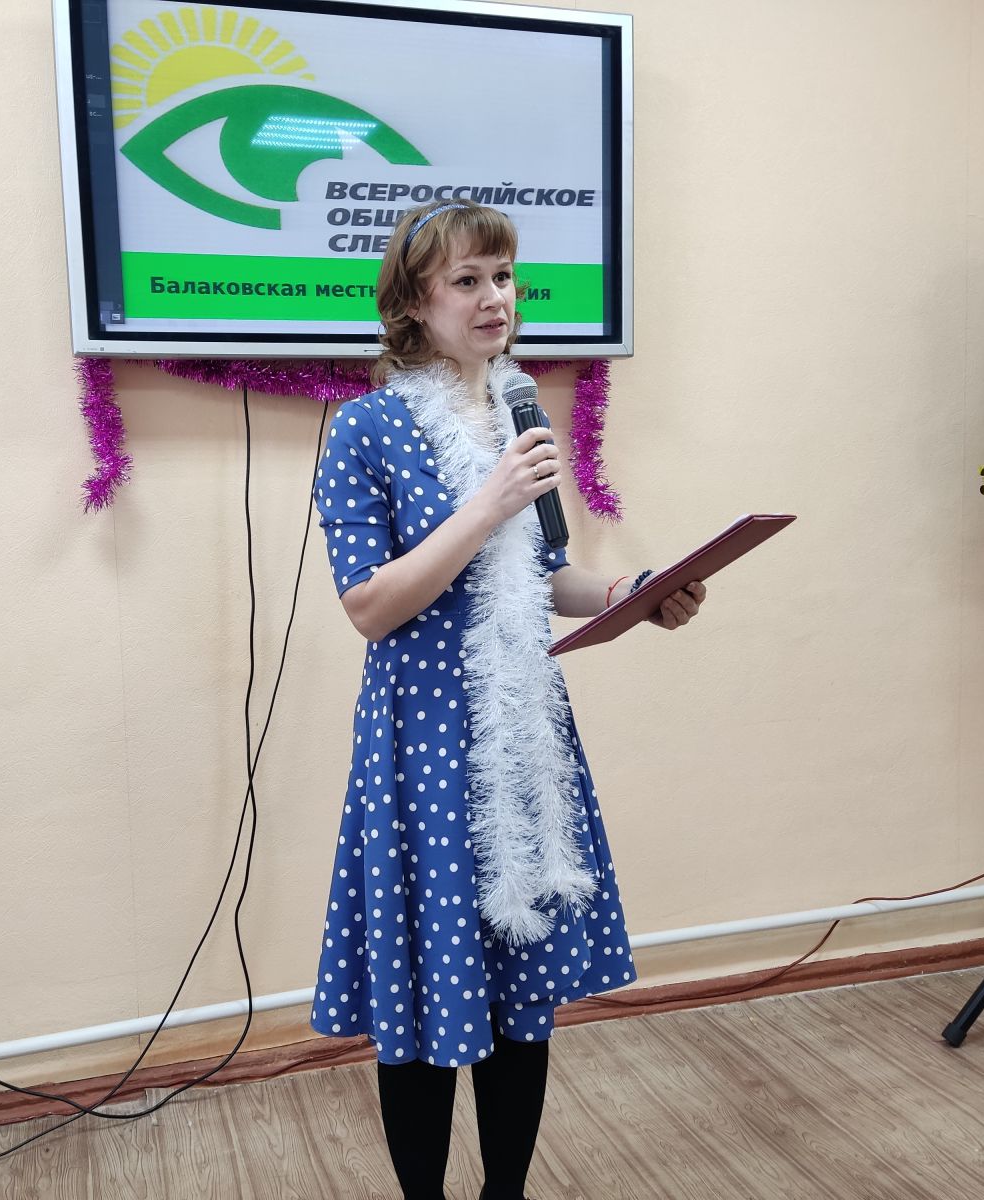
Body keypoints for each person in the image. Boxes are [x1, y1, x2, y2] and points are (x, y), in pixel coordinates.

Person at [310, 198, 706, 1200]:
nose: (496, 299)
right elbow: (369, 606)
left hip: (523, 733)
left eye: (504, 277)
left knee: (522, 995)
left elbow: (541, 575)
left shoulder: (519, 410)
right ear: (412, 302)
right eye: (467, 280)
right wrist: (487, 502)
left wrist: (628, 594)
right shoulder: (362, 429)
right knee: (422, 998)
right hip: (421, 742)